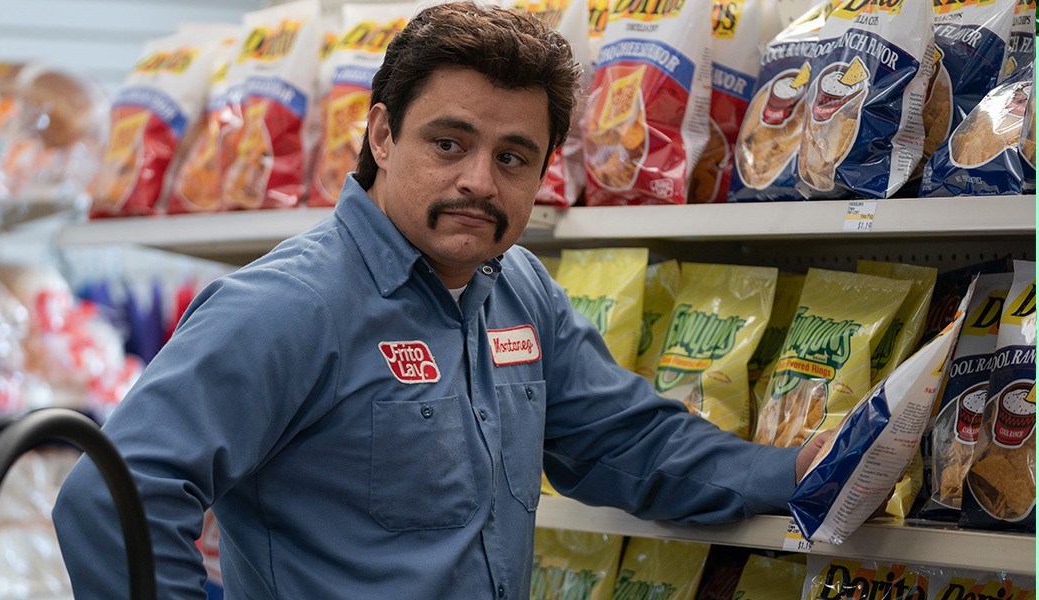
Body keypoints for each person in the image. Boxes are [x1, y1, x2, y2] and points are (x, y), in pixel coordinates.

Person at [53, 3, 821, 598]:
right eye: (448, 144)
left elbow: (626, 442)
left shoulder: (520, 292)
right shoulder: (288, 306)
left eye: (512, 157)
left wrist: (802, 470)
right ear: (382, 136)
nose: (480, 182)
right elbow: (111, 497)